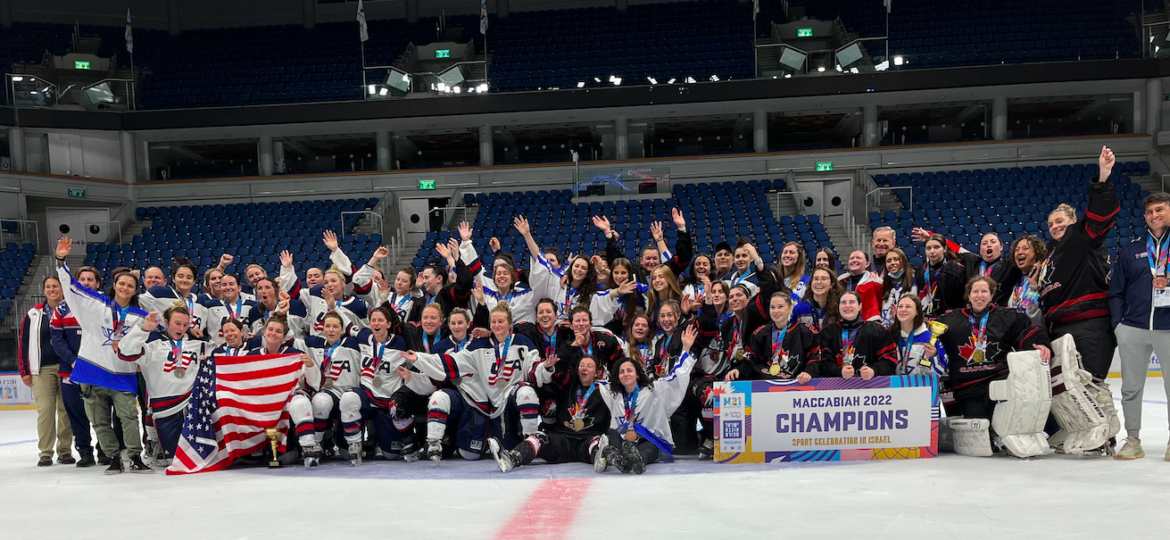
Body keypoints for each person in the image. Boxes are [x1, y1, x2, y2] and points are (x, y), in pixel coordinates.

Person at [54, 237, 152, 474]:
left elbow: (144, 345)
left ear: (134, 289)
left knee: (128, 417)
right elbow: (71, 289)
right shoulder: (95, 303)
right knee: (99, 421)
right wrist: (60, 261)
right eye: (122, 283)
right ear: (114, 284)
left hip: (123, 374)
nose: (125, 288)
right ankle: (113, 457)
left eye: (130, 285)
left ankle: (135, 456)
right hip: (92, 371)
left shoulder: (140, 315)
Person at [407, 302, 543, 464]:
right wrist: (416, 365)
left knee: (526, 394)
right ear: (448, 325)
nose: (457, 326)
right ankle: (435, 443)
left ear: (468, 325)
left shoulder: (486, 341)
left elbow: (534, 367)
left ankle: (530, 441)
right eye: (494, 322)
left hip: (493, 401)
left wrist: (546, 368)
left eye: (460, 322)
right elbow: (442, 366)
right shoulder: (460, 346)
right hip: (466, 399)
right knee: (441, 400)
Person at [934, 277, 1052, 456]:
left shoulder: (1007, 316)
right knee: (981, 429)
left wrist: (1041, 343)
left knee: (1013, 411)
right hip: (968, 387)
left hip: (999, 380)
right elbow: (929, 335)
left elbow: (1029, 331)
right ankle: (995, 435)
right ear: (968, 295)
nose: (979, 296)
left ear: (991, 295)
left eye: (984, 292)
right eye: (975, 291)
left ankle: (1031, 433)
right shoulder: (950, 320)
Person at [1040, 146, 1119, 384]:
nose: (1054, 226)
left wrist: (1103, 176)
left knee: (1091, 387)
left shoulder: (1081, 236)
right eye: (1051, 223)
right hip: (1060, 327)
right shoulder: (1050, 253)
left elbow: (1100, 214)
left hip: (1089, 324)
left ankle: (1105, 424)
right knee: (1068, 394)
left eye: (1060, 221)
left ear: (1074, 221)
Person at [1109, 191, 1170, 460]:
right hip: (1132, 327)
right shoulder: (1132, 248)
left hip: (1168, 327)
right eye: (1149, 212)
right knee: (1130, 387)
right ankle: (1133, 439)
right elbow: (1116, 290)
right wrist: (1118, 325)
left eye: (1159, 209)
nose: (1154, 215)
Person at [595, 325, 700, 474]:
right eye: (621, 372)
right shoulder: (614, 393)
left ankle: (638, 460)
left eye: (629, 370)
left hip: (647, 439)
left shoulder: (654, 389)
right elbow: (593, 381)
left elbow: (676, 376)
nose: (626, 374)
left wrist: (686, 349)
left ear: (637, 374)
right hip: (624, 440)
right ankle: (622, 460)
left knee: (649, 447)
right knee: (611, 434)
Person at [116, 303, 210, 464]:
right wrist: (144, 329)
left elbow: (228, 356)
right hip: (164, 408)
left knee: (198, 459)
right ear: (166, 322)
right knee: (171, 460)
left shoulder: (200, 345)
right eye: (177, 323)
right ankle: (153, 444)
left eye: (185, 324)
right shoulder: (152, 347)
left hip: (192, 408)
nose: (181, 328)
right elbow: (125, 352)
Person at [488, 354, 612, 473]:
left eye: (589, 366)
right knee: (539, 437)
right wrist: (548, 368)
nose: (584, 368)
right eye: (582, 365)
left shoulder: (606, 391)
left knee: (598, 442)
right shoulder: (567, 386)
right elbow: (550, 380)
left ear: (597, 373)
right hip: (563, 440)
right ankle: (512, 459)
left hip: (588, 439)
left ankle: (600, 459)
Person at [348, 306, 436, 461]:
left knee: (391, 455)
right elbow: (347, 325)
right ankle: (355, 444)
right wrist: (334, 306)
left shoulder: (400, 343)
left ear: (388, 324)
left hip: (388, 401)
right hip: (367, 395)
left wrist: (413, 375)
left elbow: (412, 363)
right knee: (349, 398)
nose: (376, 323)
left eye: (380, 320)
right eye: (373, 320)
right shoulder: (363, 337)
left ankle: (410, 441)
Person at [49, 267, 106, 466]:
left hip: (98, 369)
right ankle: (85, 451)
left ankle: (104, 450)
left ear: (97, 284)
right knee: (76, 411)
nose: (86, 282)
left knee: (101, 412)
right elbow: (57, 339)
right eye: (82, 279)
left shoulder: (105, 306)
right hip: (70, 370)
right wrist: (74, 361)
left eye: (91, 279)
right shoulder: (63, 308)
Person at [19, 277, 78, 466]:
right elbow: (24, 342)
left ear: (62, 289)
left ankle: (64, 451)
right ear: (44, 290)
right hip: (41, 369)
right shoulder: (34, 314)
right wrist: (25, 370)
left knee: (65, 410)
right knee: (45, 409)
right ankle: (45, 452)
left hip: (66, 367)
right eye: (48, 287)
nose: (52, 289)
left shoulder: (71, 310)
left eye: (55, 286)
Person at [247, 315, 318, 467]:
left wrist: (311, 366)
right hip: (262, 400)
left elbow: (314, 384)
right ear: (264, 332)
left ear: (284, 337)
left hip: (289, 398)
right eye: (270, 329)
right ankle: (252, 448)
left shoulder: (294, 354)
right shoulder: (251, 355)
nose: (273, 333)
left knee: (300, 402)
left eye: (278, 331)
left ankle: (308, 447)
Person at [303, 311, 364, 465]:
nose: (331, 330)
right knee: (319, 401)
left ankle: (354, 444)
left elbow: (360, 330)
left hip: (352, 392)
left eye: (335, 326)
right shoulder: (313, 344)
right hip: (331, 392)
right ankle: (315, 444)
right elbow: (288, 339)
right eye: (327, 326)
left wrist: (333, 306)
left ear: (342, 329)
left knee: (344, 454)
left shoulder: (354, 343)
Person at [808, 292, 897, 379]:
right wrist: (839, 372)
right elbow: (822, 362)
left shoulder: (877, 330)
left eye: (852, 302)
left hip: (870, 388)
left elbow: (890, 359)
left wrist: (874, 371)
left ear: (860, 306)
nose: (847, 306)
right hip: (836, 389)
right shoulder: (827, 332)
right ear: (839, 307)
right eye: (843, 303)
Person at [745, 292, 818, 382]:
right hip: (765, 386)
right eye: (772, 307)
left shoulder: (805, 332)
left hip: (797, 384)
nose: (776, 311)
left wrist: (809, 372)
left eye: (780, 307)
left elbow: (816, 357)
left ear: (790, 308)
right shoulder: (760, 333)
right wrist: (739, 370)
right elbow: (750, 360)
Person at [140, 257, 209, 338]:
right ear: (173, 279)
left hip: (192, 348)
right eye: (180, 276)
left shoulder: (202, 303)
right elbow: (133, 301)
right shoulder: (158, 294)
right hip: (164, 346)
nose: (184, 280)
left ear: (194, 282)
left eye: (189, 277)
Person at [890, 296, 946, 378]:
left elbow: (941, 371)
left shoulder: (928, 338)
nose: (903, 309)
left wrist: (934, 356)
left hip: (921, 388)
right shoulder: (890, 336)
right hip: (893, 387)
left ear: (917, 312)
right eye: (900, 306)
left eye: (908, 306)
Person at [916, 233, 967, 318]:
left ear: (945, 249)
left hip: (950, 320)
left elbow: (962, 300)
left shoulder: (956, 270)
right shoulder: (920, 271)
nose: (932, 251)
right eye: (928, 248)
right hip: (924, 319)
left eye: (936, 247)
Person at [592, 257, 646, 334]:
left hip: (637, 333)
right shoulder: (607, 288)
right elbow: (596, 297)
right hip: (615, 333)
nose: (619, 276)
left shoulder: (638, 288)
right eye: (616, 273)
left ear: (629, 273)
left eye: (623, 273)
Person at [202, 273, 256, 346]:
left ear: (239, 288)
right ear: (220, 288)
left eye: (231, 284)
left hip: (244, 352)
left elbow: (256, 331)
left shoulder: (251, 306)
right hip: (218, 352)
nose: (227, 287)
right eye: (224, 285)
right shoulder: (209, 306)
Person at [1004, 236, 1047, 328]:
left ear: (1037, 253)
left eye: (1026, 248)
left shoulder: (1044, 275)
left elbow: (1036, 317)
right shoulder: (1017, 281)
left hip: (1038, 334)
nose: (1019, 252)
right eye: (1017, 249)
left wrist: (1033, 288)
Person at [839, 250, 882, 321]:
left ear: (867, 264)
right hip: (845, 323)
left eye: (858, 258)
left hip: (869, 324)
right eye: (852, 258)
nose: (854, 260)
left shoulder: (874, 282)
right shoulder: (840, 281)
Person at [880, 248, 917, 327]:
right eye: (889, 261)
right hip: (888, 329)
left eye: (896, 259)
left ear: (903, 261)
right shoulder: (884, 282)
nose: (892, 263)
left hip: (909, 327)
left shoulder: (915, 278)